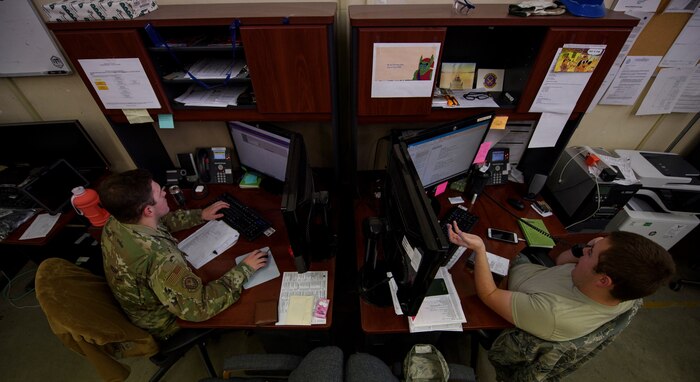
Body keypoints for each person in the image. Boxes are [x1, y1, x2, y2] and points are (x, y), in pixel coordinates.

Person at [98, 169, 268, 340]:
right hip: (165, 322)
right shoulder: (160, 259)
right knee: (251, 303)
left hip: (141, 302)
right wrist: (244, 270)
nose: (165, 193)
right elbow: (199, 308)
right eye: (160, 192)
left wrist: (200, 215)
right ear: (148, 210)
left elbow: (159, 220)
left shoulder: (117, 220)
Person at [448, 225, 675, 341]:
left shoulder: (554, 314)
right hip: (531, 272)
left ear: (603, 280)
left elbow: (489, 295)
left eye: (590, 253)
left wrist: (479, 249)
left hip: (509, 289)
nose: (585, 250)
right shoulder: (625, 290)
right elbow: (561, 261)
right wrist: (591, 248)